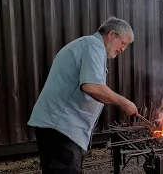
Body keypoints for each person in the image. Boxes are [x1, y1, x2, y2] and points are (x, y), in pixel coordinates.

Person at [27, 16, 138, 174]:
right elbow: (92, 86)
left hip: (59, 129)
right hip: (60, 129)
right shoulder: (93, 46)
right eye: (123, 43)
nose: (123, 50)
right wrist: (124, 103)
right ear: (112, 34)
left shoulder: (88, 45)